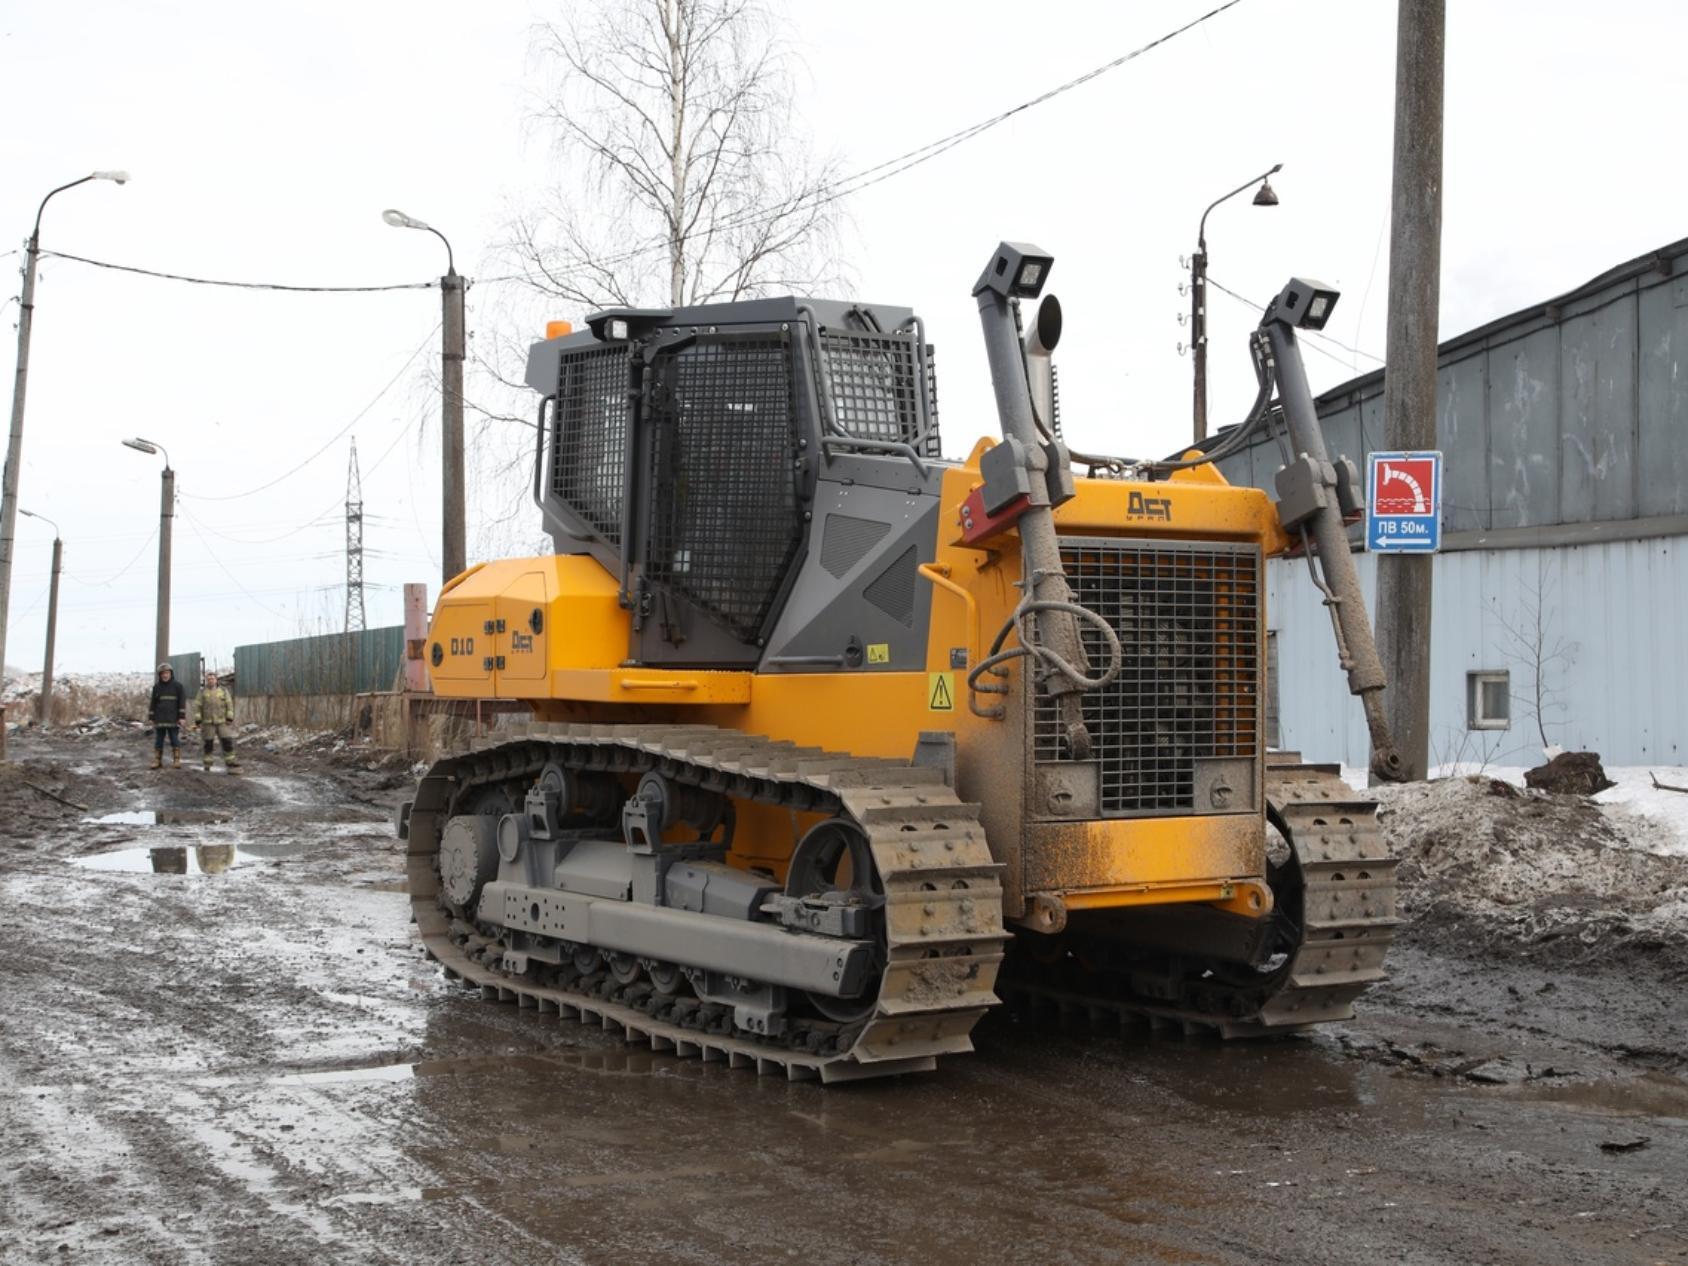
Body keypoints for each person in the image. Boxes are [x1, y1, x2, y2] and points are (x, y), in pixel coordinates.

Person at [192, 671, 241, 774]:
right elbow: (197, 706)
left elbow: (229, 704)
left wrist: (230, 717)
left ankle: (231, 763)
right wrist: (198, 720)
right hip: (208, 723)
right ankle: (207, 765)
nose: (210, 681)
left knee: (227, 742)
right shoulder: (202, 692)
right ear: (206, 681)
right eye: (208, 679)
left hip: (222, 722)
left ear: (216, 680)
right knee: (208, 744)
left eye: (212, 679)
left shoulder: (223, 691)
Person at [147, 663, 187, 769]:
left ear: (171, 674)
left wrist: (182, 717)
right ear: (160, 675)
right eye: (163, 673)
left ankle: (177, 760)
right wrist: (151, 717)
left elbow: (182, 703)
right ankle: (157, 761)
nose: (165, 675)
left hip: (173, 719)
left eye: (167, 673)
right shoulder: (156, 687)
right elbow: (153, 703)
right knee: (159, 740)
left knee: (174, 739)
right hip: (160, 719)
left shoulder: (178, 686)